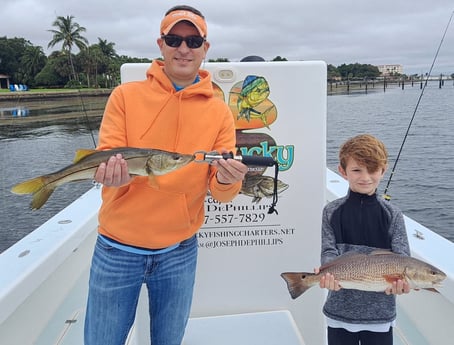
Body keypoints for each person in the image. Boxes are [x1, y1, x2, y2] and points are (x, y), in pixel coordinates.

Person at [84, 5, 248, 345]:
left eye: (192, 40)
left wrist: (229, 180)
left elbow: (220, 192)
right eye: (174, 39)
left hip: (179, 251)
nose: (183, 49)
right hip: (117, 250)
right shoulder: (125, 96)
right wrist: (112, 175)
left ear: (206, 47)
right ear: (160, 44)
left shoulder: (219, 111)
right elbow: (109, 157)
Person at [318, 134, 411, 345]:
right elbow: (328, 251)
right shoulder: (331, 211)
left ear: (383, 170)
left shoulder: (393, 214)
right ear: (342, 171)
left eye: (372, 170)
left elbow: (403, 259)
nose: (365, 177)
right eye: (357, 170)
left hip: (380, 316)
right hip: (338, 314)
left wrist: (402, 283)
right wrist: (327, 271)